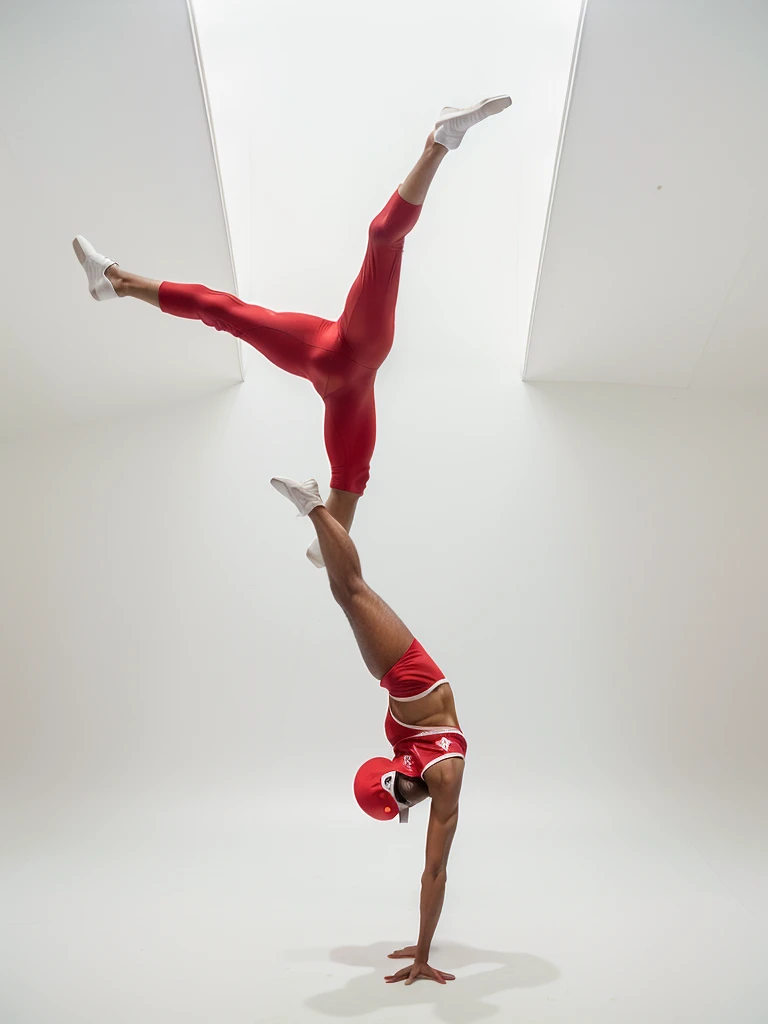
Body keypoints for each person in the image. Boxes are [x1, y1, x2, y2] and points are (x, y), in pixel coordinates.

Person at [72, 96, 511, 567]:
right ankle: (439, 142)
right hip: (342, 349)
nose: (329, 536)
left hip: (330, 359)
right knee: (373, 246)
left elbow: (332, 534)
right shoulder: (354, 431)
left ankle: (116, 282)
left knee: (231, 311)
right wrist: (317, 513)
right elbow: (336, 525)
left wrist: (314, 509)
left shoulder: (350, 423)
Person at [270, 474, 466, 986]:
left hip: (404, 684)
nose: (412, 803)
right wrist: (423, 953)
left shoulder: (421, 771)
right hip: (411, 678)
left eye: (404, 802)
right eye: (406, 803)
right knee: (348, 590)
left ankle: (317, 507)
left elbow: (432, 872)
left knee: (347, 590)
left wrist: (422, 946)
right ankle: (314, 504)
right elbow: (435, 872)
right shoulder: (442, 779)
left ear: (396, 775)